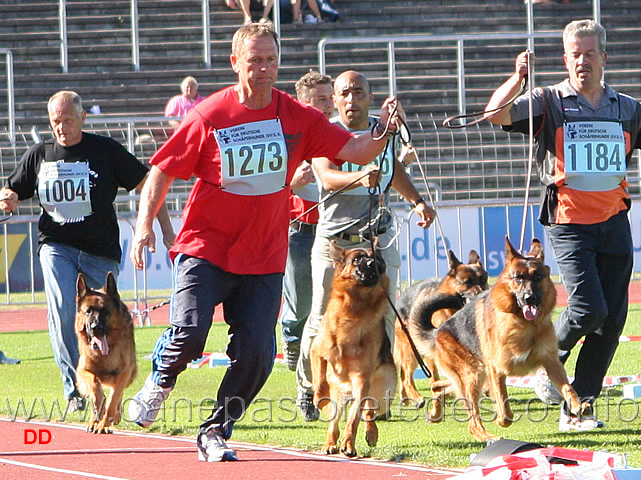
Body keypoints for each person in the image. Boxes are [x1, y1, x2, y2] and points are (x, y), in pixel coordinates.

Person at [127, 23, 413, 463]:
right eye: (254, 60)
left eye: (271, 60)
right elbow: (163, 170)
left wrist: (385, 133)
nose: (263, 69)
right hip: (206, 248)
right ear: (235, 62)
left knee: (258, 354)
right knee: (189, 333)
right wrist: (145, 224)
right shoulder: (210, 113)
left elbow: (356, 150)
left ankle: (215, 430)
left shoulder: (297, 115)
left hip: (263, 257)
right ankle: (160, 380)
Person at [485, 19, 641, 431]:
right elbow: (494, 115)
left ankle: (579, 408)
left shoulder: (626, 107)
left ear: (604, 57)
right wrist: (518, 78)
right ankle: (546, 364)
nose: (582, 61)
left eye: (590, 53)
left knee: (613, 319)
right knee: (589, 308)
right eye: (574, 54)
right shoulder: (547, 99)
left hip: (615, 220)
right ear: (565, 58)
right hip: (568, 220)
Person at [0, 91, 175, 413]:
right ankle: (74, 389)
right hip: (56, 246)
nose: (61, 128)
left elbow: (149, 183)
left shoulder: (105, 150)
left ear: (83, 118)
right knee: (66, 310)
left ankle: (108, 378)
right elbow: (13, 187)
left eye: (68, 120)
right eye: (56, 122)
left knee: (106, 320)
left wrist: (161, 228)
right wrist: (8, 197)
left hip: (100, 251)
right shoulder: (41, 154)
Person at [295, 70, 436, 421]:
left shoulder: (382, 130)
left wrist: (417, 200)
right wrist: (358, 174)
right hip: (337, 244)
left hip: (377, 241)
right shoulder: (324, 131)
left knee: (384, 317)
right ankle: (311, 388)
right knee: (319, 319)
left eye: (358, 92)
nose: (351, 99)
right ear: (336, 98)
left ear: (370, 98)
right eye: (344, 93)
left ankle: (377, 398)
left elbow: (391, 171)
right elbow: (326, 176)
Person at [279, 70, 335, 371]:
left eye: (330, 98)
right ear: (304, 103)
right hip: (300, 230)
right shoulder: (288, 138)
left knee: (332, 298)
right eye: (320, 100)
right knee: (301, 300)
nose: (328, 105)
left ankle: (321, 355)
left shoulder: (339, 134)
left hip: (335, 230)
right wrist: (290, 180)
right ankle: (291, 337)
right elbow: (264, 183)